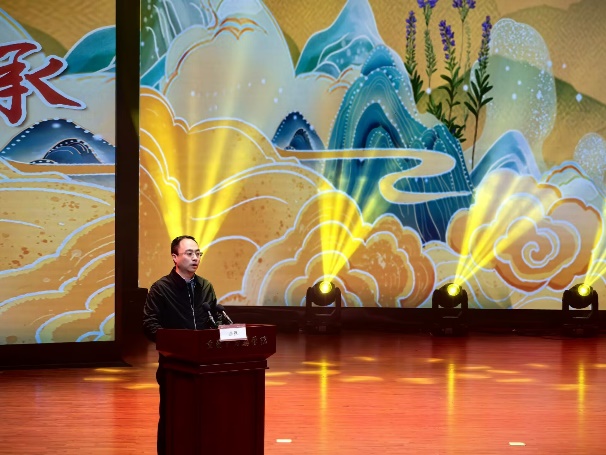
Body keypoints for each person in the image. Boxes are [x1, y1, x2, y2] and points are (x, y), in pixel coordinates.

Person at [143, 235, 220, 454]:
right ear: (174, 257)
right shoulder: (160, 288)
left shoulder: (206, 286)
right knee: (173, 418)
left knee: (203, 417)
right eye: (189, 253)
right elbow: (149, 325)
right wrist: (176, 345)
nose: (195, 258)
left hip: (204, 366)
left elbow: (215, 319)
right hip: (174, 366)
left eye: (198, 253)